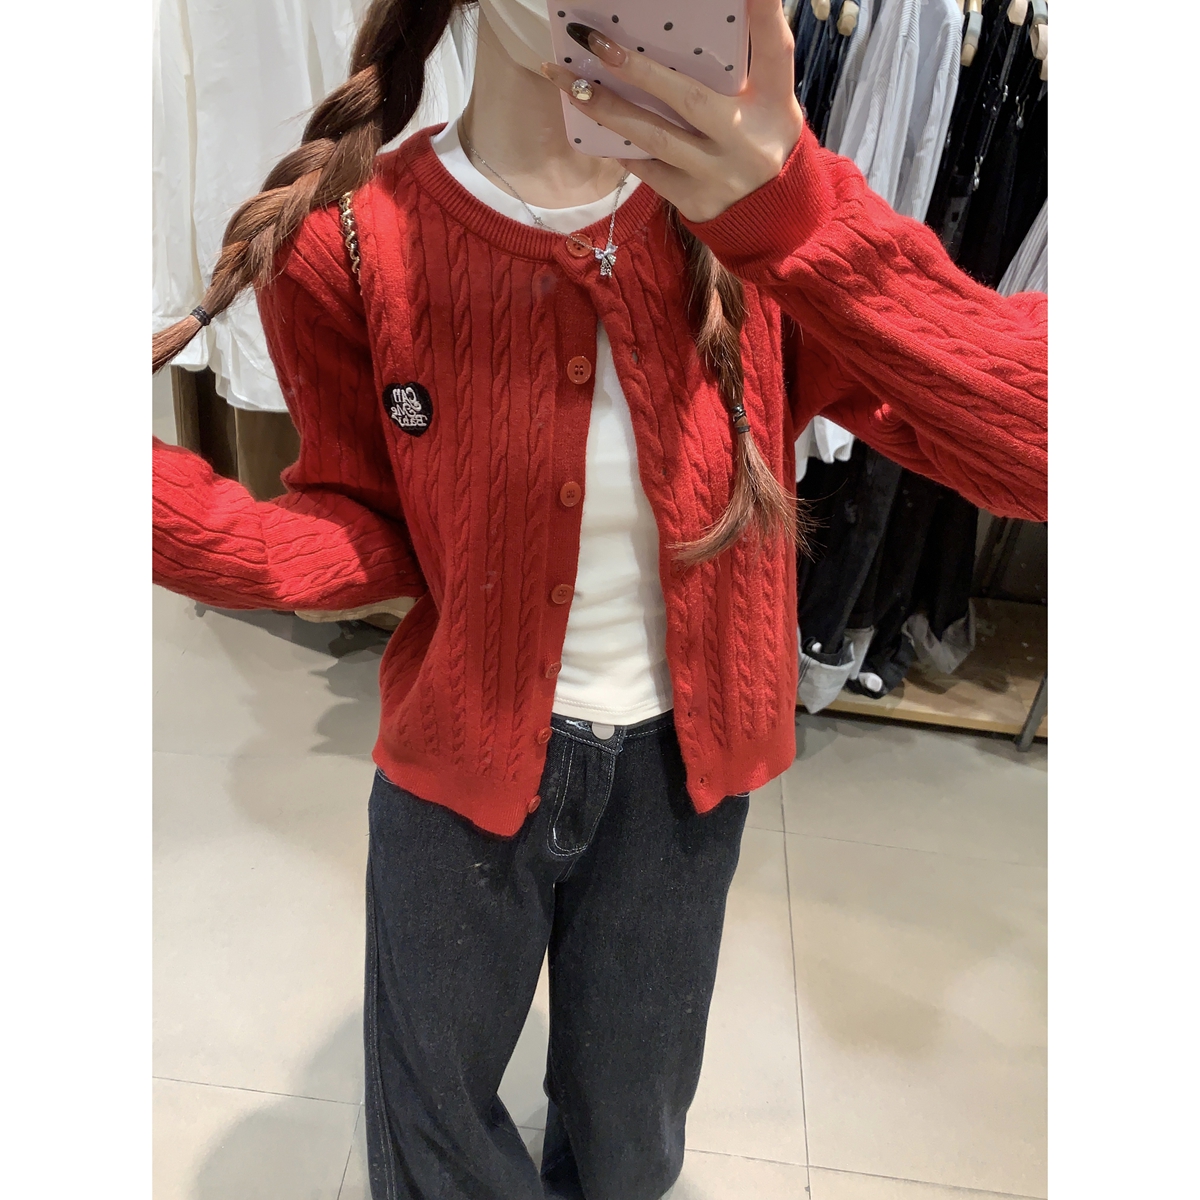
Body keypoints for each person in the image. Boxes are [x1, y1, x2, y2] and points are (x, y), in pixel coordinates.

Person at [151, 0, 1048, 1196]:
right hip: (457, 773)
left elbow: (1041, 449)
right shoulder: (352, 239)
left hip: (680, 787)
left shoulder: (762, 215)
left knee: (630, 1143)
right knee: (432, 1141)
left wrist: (794, 221)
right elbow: (366, 528)